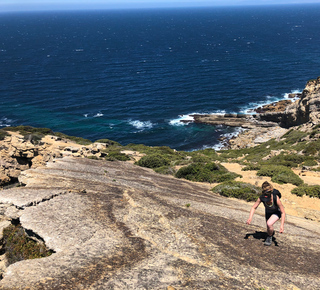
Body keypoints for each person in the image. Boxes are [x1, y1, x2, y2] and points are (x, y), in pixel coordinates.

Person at [246, 181, 286, 246]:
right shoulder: (261, 198)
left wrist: (281, 225)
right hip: (268, 212)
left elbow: (283, 212)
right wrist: (250, 218)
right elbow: (254, 207)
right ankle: (270, 233)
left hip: (277, 212)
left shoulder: (276, 198)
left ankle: (269, 237)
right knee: (268, 228)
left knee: (269, 223)